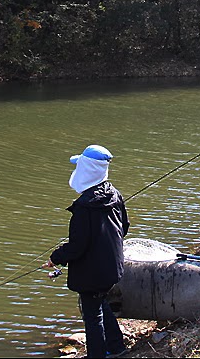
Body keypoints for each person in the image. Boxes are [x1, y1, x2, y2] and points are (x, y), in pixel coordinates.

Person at [42, 144, 129, 359]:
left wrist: (55, 257)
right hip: (112, 267)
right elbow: (123, 228)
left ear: (86, 170)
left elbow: (77, 247)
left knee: (92, 316)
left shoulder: (83, 207)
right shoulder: (114, 194)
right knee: (99, 301)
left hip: (93, 273)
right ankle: (117, 347)